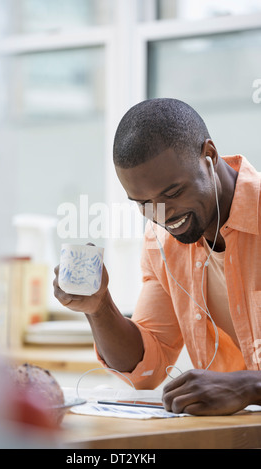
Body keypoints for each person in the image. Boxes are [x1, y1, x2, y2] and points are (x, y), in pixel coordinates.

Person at [53, 98, 261, 416]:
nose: (162, 214)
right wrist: (99, 307)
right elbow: (148, 366)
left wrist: (249, 386)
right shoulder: (161, 243)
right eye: (142, 203)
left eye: (173, 193)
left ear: (209, 155)